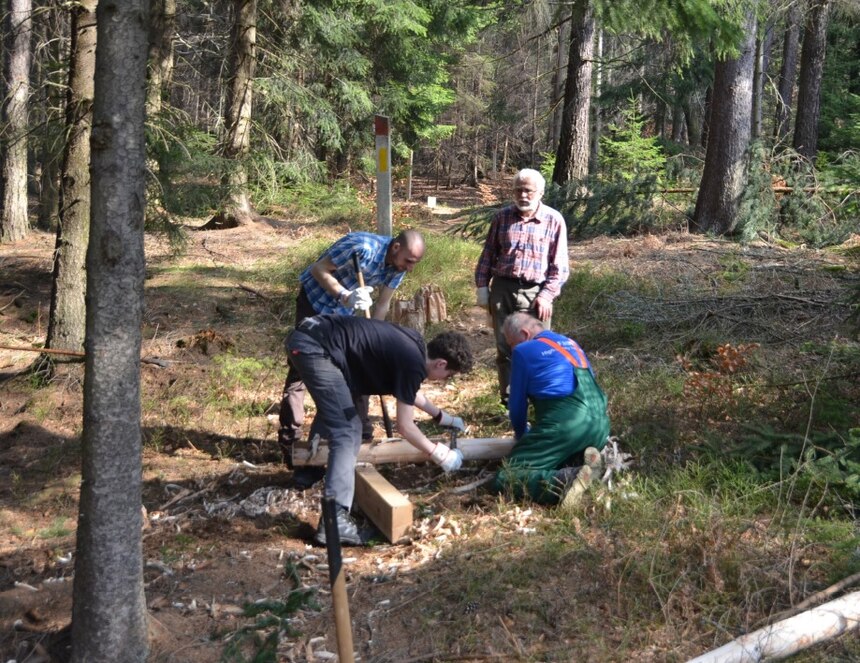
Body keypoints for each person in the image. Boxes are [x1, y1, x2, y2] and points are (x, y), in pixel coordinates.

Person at [285, 314, 473, 545]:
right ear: (441, 364)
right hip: (315, 346)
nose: (444, 380)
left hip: (313, 336)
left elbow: (408, 390)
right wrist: (439, 454)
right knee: (348, 429)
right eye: (448, 375)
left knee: (338, 407)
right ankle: (335, 520)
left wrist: (441, 416)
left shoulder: (414, 345)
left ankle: (309, 472)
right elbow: (405, 427)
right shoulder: (413, 363)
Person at [279, 229, 426, 468]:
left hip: (342, 318)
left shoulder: (398, 268)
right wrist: (345, 296)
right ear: (396, 248)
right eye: (409, 261)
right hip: (315, 304)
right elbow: (318, 270)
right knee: (301, 371)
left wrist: (374, 339)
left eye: (415, 263)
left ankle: (359, 437)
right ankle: (290, 441)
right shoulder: (362, 247)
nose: (410, 268)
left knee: (357, 369)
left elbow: (383, 304)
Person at [492, 312, 609, 508]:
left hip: (567, 425)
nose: (512, 350)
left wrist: (523, 437)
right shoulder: (570, 343)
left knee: (507, 476)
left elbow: (517, 405)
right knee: (560, 455)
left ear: (524, 333)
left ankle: (567, 480)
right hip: (600, 426)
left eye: (511, 344)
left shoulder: (524, 351)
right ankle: (582, 462)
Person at [475, 169, 569, 406]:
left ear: (540, 192)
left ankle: (539, 399)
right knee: (505, 347)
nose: (523, 195)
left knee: (539, 348)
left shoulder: (553, 219)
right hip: (503, 289)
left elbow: (560, 266)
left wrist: (547, 296)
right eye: (518, 189)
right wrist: (482, 288)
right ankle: (510, 400)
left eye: (528, 190)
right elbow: (488, 255)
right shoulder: (502, 218)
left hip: (536, 293)